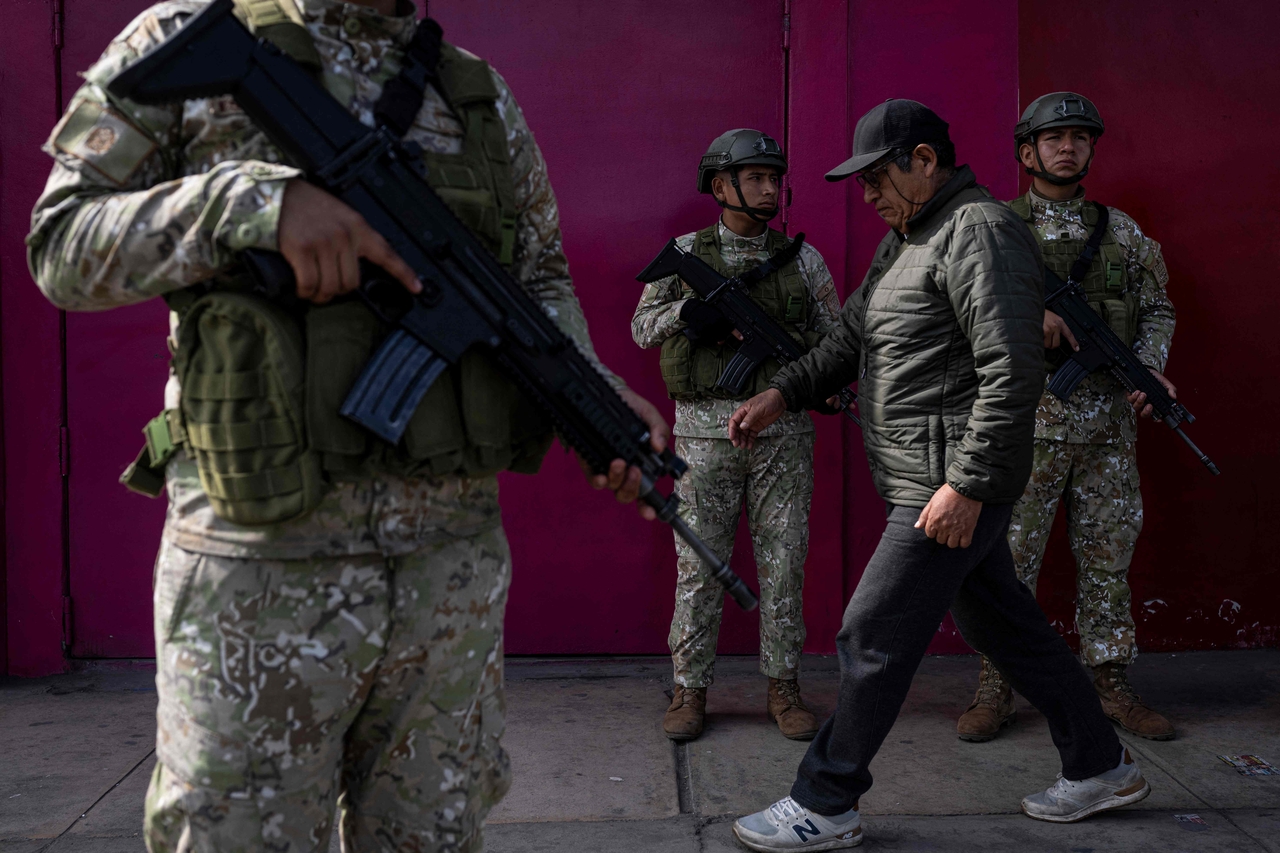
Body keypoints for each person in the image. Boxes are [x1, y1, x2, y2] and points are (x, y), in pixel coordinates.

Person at [26, 1, 668, 850]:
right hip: (259, 577)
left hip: (450, 583)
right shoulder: (188, 38)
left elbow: (535, 278)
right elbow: (61, 245)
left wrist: (592, 394)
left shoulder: (475, 92)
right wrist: (253, 204)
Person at [724, 100, 1151, 851]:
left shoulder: (980, 230)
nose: (867, 194)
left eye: (876, 177)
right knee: (1004, 626)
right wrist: (779, 394)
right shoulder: (910, 237)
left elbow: (1012, 369)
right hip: (930, 476)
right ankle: (1101, 766)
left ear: (924, 160)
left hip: (947, 484)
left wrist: (968, 485)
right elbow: (850, 337)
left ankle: (827, 800)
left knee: (871, 633)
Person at [956, 93, 1177, 744]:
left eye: (1080, 137)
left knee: (1108, 558)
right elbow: (958, 307)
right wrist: (1031, 316)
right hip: (1025, 425)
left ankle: (1110, 683)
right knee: (1008, 563)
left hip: (1108, 426)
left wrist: (1149, 368)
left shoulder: (1122, 232)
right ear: (1027, 151)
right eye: (1054, 137)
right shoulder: (995, 226)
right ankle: (995, 687)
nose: (1068, 147)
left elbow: (1158, 308)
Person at [631, 129, 841, 742]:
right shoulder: (685, 253)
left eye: (775, 178)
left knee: (785, 565)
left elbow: (836, 341)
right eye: (756, 178)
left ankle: (784, 688)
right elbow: (641, 328)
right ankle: (690, 689)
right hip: (703, 439)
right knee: (699, 568)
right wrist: (685, 312)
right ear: (721, 186)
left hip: (784, 435)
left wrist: (816, 383)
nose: (770, 188)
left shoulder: (804, 260)